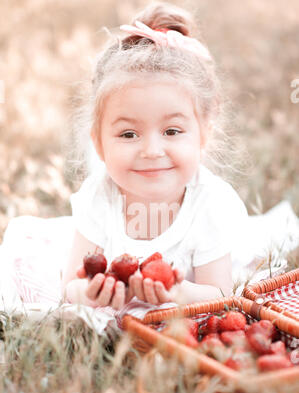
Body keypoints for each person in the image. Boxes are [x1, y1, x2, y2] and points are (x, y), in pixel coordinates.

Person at [0, 2, 298, 334]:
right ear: (98, 142)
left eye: (172, 131)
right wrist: (89, 293)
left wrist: (177, 292)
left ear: (203, 134)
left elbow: (221, 294)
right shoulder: (100, 196)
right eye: (128, 134)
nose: (152, 151)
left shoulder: (208, 204)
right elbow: (69, 286)